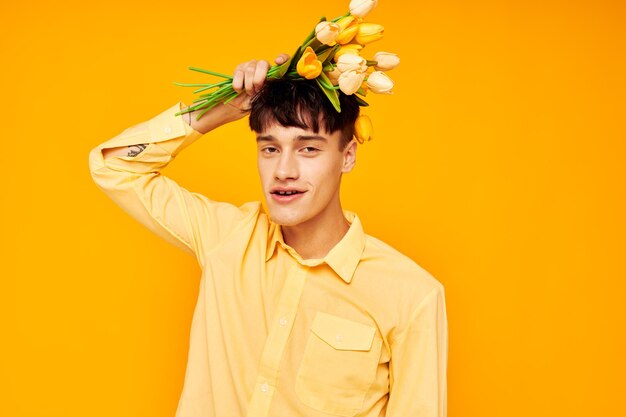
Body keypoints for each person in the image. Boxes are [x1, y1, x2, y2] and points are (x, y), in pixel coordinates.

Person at [88, 53, 448, 417]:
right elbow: (114, 167)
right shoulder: (226, 239)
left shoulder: (412, 295)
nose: (284, 171)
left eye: (308, 149)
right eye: (270, 149)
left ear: (348, 156)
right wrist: (218, 109)